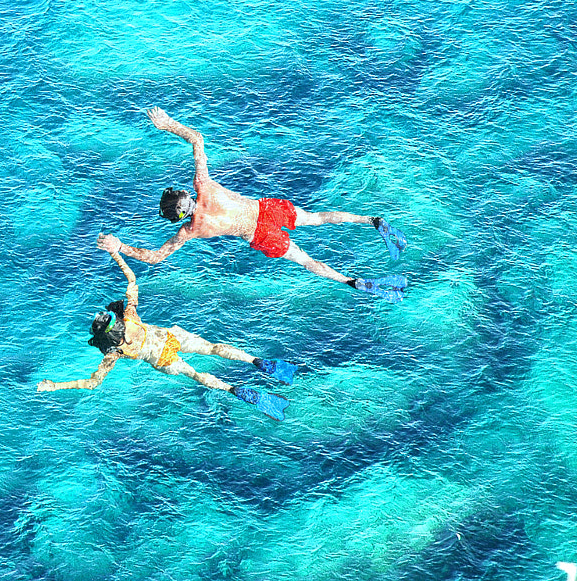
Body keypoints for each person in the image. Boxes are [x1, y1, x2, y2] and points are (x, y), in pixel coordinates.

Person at [101, 108, 408, 301]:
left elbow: (155, 257)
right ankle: (372, 221)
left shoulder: (190, 231)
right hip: (265, 210)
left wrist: (119, 246)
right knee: (317, 219)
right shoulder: (203, 185)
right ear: (186, 196)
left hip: (257, 234)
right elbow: (196, 139)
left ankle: (351, 280)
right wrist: (168, 124)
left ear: (177, 215)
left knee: (305, 261)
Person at [35, 248, 295, 420]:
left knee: (196, 374)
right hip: (171, 337)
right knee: (214, 348)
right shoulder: (130, 317)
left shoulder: (114, 353)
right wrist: (116, 254)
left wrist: (54, 386)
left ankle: (234, 390)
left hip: (162, 359)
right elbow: (132, 281)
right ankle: (257, 362)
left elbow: (92, 383)